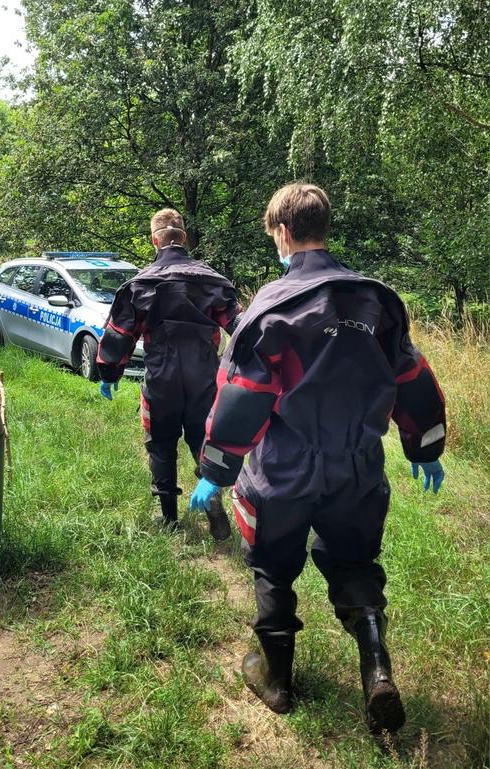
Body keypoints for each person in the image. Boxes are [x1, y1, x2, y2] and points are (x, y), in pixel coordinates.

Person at [190, 183, 446, 734]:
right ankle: (376, 668)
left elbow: (242, 395)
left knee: (273, 565)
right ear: (324, 228)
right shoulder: (377, 301)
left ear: (282, 233)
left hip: (282, 470)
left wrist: (215, 472)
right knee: (354, 563)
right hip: (357, 467)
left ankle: (276, 680)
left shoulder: (270, 309)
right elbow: (411, 374)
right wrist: (425, 443)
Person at [96, 208, 242, 539]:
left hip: (161, 378)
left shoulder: (141, 284)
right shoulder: (212, 282)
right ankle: (215, 509)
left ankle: (168, 520)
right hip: (205, 375)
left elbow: (119, 333)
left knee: (161, 444)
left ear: (154, 240)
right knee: (203, 440)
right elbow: (241, 327)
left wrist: (109, 373)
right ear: (184, 238)